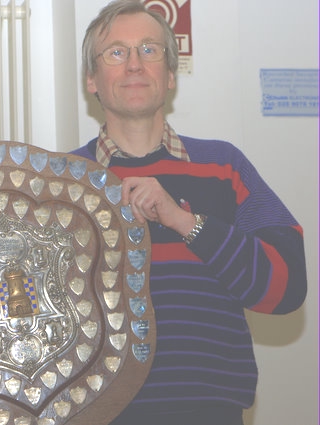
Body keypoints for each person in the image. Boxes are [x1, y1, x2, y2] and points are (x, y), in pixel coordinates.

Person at [71, 1, 307, 424]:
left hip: (209, 411)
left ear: (171, 75)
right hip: (99, 414)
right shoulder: (64, 185)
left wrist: (184, 222)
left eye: (149, 49)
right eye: (116, 52)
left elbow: (286, 287)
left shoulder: (224, 166)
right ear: (92, 79)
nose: (134, 65)